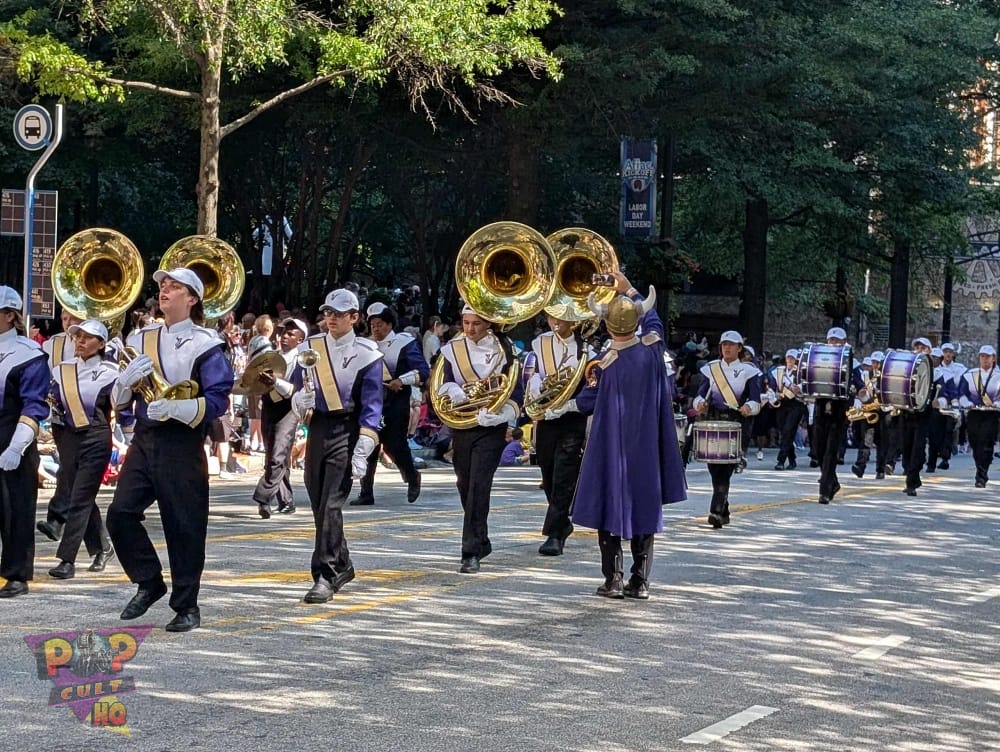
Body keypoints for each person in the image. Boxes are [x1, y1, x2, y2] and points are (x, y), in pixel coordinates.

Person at [106, 268, 234, 632]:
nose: (164, 290)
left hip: (182, 440)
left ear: (192, 298)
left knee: (184, 524)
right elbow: (119, 400)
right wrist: (125, 383)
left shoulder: (206, 342)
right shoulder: (141, 336)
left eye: (174, 286)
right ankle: (149, 580)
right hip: (146, 438)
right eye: (163, 285)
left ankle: (186, 605)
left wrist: (177, 408)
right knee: (119, 513)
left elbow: (217, 399)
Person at [570, 274, 686, 598]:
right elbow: (655, 322)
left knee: (608, 507)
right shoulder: (652, 350)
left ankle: (614, 579)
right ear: (635, 326)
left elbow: (584, 403)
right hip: (645, 450)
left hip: (612, 450)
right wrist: (628, 288)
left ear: (608, 327)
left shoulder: (605, 363)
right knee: (645, 508)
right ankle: (641, 581)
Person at [291, 289, 383, 603]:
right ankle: (343, 563)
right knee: (319, 504)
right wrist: (298, 399)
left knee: (331, 504)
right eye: (328, 312)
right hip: (318, 427)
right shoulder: (311, 346)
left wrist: (363, 449)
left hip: (347, 428)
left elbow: (372, 406)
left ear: (354, 317)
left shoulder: (367, 353)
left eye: (339, 313)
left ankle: (325, 575)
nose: (331, 318)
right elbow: (297, 385)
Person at [435, 304, 523, 573]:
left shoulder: (504, 350)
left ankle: (470, 551)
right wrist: (452, 390)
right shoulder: (453, 349)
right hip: (462, 423)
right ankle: (481, 538)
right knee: (464, 482)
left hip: (489, 426)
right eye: (466, 322)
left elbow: (515, 390)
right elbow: (442, 382)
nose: (470, 329)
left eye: (476, 323)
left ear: (488, 325)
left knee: (478, 485)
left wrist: (501, 415)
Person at [46, 319, 118, 579]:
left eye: (88, 338)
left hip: (97, 437)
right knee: (80, 494)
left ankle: (67, 559)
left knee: (79, 497)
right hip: (68, 436)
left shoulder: (112, 371)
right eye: (78, 337)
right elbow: (55, 407)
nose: (80, 341)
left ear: (101, 344)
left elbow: (118, 406)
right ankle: (102, 547)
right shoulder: (61, 370)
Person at [526, 309, 590, 556]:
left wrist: (569, 405)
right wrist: (535, 386)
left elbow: (591, 387)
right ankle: (562, 523)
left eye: (561, 318)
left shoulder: (586, 350)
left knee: (564, 473)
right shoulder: (540, 343)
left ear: (573, 321)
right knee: (548, 470)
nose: (555, 322)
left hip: (571, 418)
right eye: (552, 317)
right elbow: (533, 374)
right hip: (546, 416)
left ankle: (554, 535)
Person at [352, 303, 429, 506]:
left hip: (396, 402)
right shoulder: (365, 345)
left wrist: (401, 380)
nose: (376, 329)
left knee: (395, 446)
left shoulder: (404, 343)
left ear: (389, 324)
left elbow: (423, 371)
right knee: (368, 444)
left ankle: (412, 476)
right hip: (370, 402)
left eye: (379, 324)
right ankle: (366, 491)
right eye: (373, 325)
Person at [0, 287, 50, 598]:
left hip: (11, 432)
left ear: (9, 315)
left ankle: (17, 573)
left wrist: (17, 446)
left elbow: (34, 404)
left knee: (16, 509)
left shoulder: (28, 353)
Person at [693, 331, 762, 527]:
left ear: (739, 348)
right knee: (714, 467)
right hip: (713, 422)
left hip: (737, 424)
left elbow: (755, 398)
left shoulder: (750, 371)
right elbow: (700, 395)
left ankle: (715, 511)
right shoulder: (711, 369)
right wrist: (700, 404)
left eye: (731, 345)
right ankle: (723, 508)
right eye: (724, 344)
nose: (727, 348)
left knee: (725, 469)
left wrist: (749, 407)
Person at [252, 319, 308, 517]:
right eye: (284, 332)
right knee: (274, 457)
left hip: (288, 409)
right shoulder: (272, 356)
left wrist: (275, 382)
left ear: (300, 339)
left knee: (277, 455)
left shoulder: (302, 360)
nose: (285, 336)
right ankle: (286, 500)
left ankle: (263, 496)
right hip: (269, 406)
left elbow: (295, 390)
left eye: (291, 334)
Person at [36, 309, 83, 543]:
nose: (68, 323)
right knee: (75, 477)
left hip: (87, 416)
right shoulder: (52, 344)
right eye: (65, 319)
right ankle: (101, 545)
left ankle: (56, 518)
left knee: (71, 471)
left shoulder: (99, 340)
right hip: (60, 415)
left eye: (73, 319)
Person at [810, 327, 863, 504]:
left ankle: (824, 491)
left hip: (840, 409)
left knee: (831, 450)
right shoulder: (818, 359)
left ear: (844, 342)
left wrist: (861, 392)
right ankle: (833, 482)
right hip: (821, 405)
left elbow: (859, 383)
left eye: (837, 340)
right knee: (818, 449)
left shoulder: (851, 362)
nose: (834, 343)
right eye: (831, 340)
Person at [958, 344, 999, 488]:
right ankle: (980, 467)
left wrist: (997, 404)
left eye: (988, 357)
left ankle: (981, 476)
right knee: (975, 443)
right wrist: (966, 402)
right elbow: (962, 392)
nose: (985, 359)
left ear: (993, 359)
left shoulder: (998, 375)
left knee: (986, 442)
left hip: (991, 414)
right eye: (982, 356)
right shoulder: (971, 374)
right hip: (974, 413)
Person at [769, 349, 805, 470]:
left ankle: (781, 460)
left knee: (789, 430)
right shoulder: (778, 371)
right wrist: (776, 394)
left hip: (796, 404)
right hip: (782, 403)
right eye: (788, 358)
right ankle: (792, 459)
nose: (790, 360)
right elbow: (772, 385)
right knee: (784, 431)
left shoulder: (802, 372)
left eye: (792, 358)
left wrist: (799, 388)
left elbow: (806, 385)